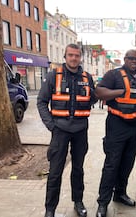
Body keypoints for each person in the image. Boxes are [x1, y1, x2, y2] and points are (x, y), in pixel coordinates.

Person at [37, 44, 97, 217]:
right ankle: (50, 209)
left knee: (78, 169)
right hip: (60, 131)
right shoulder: (53, 75)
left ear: (80, 58)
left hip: (80, 131)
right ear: (65, 57)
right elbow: (41, 102)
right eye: (70, 55)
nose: (73, 58)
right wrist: (51, 125)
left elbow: (91, 99)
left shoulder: (86, 77)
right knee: (55, 172)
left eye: (76, 55)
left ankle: (78, 202)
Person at [95, 49, 136, 217]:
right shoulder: (114, 74)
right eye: (130, 58)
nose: (133, 61)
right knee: (111, 165)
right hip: (116, 126)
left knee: (127, 164)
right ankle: (102, 203)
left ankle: (119, 193)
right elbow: (98, 92)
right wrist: (120, 92)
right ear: (125, 59)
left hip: (134, 128)